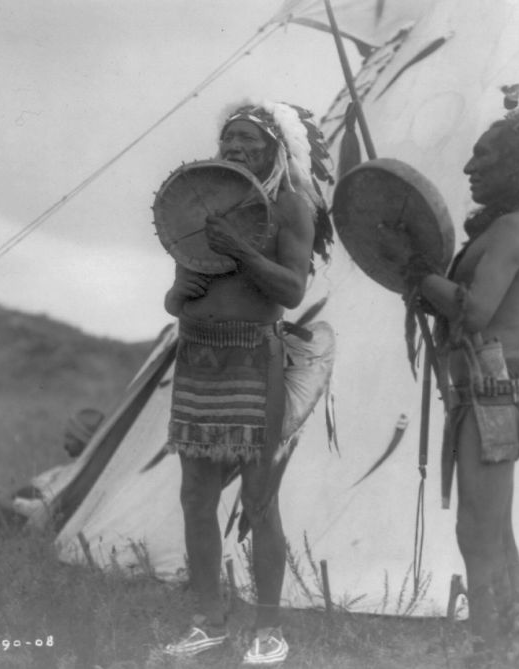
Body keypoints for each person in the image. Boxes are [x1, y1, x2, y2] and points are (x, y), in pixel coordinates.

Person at [162, 100, 333, 665]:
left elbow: (290, 291)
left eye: (248, 140)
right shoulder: (202, 200)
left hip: (254, 362)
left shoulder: (290, 207)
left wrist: (240, 251)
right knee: (195, 498)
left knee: (259, 501)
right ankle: (208, 621)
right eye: (228, 137)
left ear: (274, 149)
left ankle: (268, 629)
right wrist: (177, 295)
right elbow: (177, 289)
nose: (234, 148)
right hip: (197, 360)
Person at [409, 106, 519, 656]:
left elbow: (475, 313)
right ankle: (516, 646)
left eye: (485, 156)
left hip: (493, 398)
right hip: (491, 395)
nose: (469, 168)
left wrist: (418, 275)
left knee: (476, 536)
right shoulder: (518, 226)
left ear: (517, 165)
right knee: (495, 533)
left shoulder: (513, 230)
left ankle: (490, 652)